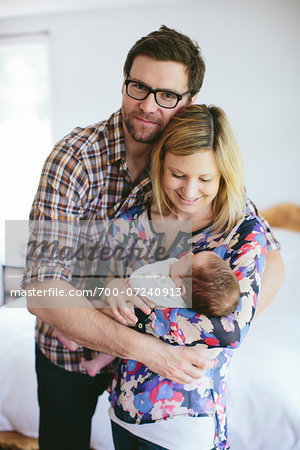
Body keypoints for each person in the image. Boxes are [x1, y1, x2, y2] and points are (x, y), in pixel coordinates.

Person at [21, 25, 284, 450]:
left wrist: (217, 329)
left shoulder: (193, 167)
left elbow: (270, 257)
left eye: (166, 95)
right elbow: (39, 288)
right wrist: (151, 347)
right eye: (137, 87)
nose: (147, 105)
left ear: (188, 103)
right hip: (69, 352)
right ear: (123, 83)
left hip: (151, 380)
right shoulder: (74, 159)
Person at [103, 104, 268, 450]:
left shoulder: (242, 233)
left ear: (224, 174)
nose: (190, 191)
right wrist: (110, 290)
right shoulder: (132, 222)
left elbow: (228, 329)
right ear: (160, 163)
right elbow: (97, 300)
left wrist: (133, 311)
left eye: (205, 179)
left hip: (186, 421)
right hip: (123, 410)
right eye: (178, 174)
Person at [55, 249, 240, 377]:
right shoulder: (187, 297)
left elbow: (138, 281)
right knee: (117, 345)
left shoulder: (168, 290)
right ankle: (96, 364)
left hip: (132, 319)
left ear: (181, 290)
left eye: (187, 261)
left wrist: (130, 282)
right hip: (141, 329)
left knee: (95, 308)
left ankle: (73, 338)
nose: (187, 255)